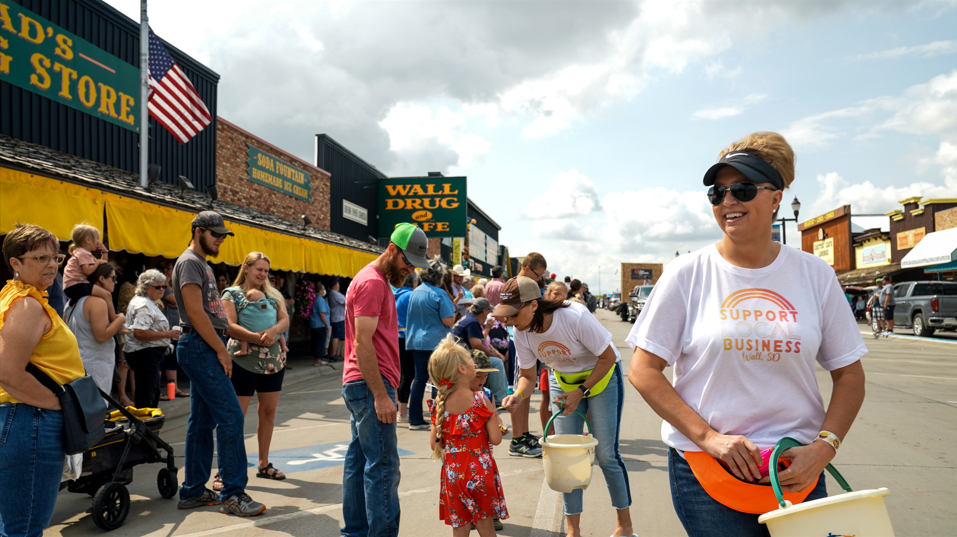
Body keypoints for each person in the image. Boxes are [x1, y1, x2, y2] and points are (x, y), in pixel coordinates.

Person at [627, 132, 867, 537]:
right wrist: (708, 438)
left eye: (742, 189)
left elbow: (849, 374)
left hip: (798, 466)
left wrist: (824, 447)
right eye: (717, 193)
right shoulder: (687, 274)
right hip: (709, 467)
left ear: (777, 198)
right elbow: (643, 370)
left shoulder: (816, 275)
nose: (728, 201)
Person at [497, 277, 634, 537]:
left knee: (606, 456)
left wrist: (581, 392)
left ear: (534, 306)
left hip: (602, 377)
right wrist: (518, 395)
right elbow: (527, 376)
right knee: (566, 457)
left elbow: (607, 358)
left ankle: (624, 526)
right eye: (505, 315)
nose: (507, 321)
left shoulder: (575, 316)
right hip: (564, 381)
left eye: (513, 314)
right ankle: (573, 531)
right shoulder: (520, 330)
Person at [173, 211, 266, 517]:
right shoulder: (189, 262)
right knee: (231, 418)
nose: (220, 239)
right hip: (200, 344)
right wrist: (221, 351)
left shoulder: (200, 263)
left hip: (201, 344)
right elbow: (195, 313)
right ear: (197, 231)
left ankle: (193, 490)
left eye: (223, 235)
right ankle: (233, 494)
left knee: (202, 422)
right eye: (215, 234)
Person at [341, 222, 429, 537]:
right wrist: (381, 394)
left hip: (362, 383)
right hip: (370, 384)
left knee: (359, 461)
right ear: (392, 249)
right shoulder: (373, 283)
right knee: (383, 467)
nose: (410, 270)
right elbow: (363, 343)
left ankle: (356, 531)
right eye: (408, 262)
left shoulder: (373, 280)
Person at [0, 224, 86, 537]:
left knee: (16, 523)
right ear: (16, 263)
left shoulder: (19, 298)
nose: (51, 264)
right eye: (40, 258)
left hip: (24, 418)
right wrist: (57, 405)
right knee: (25, 527)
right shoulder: (26, 305)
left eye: (56, 258)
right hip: (31, 418)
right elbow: (8, 373)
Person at [221, 252, 291, 484]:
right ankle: (225, 469)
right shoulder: (231, 294)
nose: (262, 274)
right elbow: (230, 326)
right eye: (258, 269)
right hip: (242, 362)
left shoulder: (273, 294)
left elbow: (284, 320)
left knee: (268, 413)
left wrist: (272, 332)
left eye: (266, 271)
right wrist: (257, 336)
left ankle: (263, 464)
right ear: (247, 268)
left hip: (273, 363)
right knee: (236, 418)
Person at [428, 335, 508, 536]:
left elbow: (435, 444)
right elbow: (496, 440)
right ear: (462, 369)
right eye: (469, 361)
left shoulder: (440, 405)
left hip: (453, 474)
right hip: (480, 471)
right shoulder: (481, 400)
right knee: (485, 526)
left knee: (460, 527)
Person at [406, 258, 457, 431]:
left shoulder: (415, 292)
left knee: (419, 379)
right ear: (440, 277)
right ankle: (437, 417)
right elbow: (448, 319)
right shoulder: (439, 294)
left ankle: (414, 418)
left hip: (416, 341)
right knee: (438, 381)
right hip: (436, 342)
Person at [64, 263, 126, 395]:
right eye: (113, 278)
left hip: (76, 362)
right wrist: (120, 319)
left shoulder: (71, 302)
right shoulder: (97, 302)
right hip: (95, 364)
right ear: (102, 279)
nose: (116, 282)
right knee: (96, 410)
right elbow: (101, 336)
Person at [125, 269, 179, 409]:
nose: (162, 289)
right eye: (157, 287)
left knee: (151, 393)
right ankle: (145, 428)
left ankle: (147, 427)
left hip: (148, 354)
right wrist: (167, 334)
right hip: (144, 353)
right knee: (147, 396)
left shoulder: (148, 301)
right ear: (146, 287)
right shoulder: (143, 304)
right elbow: (140, 333)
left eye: (164, 286)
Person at [451, 298, 508, 406]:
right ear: (484, 311)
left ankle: (495, 396)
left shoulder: (469, 318)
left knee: (495, 359)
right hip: (462, 357)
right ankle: (499, 399)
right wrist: (493, 355)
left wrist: (493, 352)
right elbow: (476, 345)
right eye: (488, 311)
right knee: (496, 362)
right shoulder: (472, 322)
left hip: (460, 354)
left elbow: (480, 342)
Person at [62, 223, 121, 326]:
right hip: (76, 285)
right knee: (107, 295)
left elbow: (104, 267)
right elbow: (88, 271)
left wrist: (104, 252)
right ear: (88, 239)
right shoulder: (83, 253)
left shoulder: (83, 253)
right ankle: (115, 321)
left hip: (72, 287)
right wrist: (98, 261)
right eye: (97, 238)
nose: (99, 241)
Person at [157, 260, 187, 400]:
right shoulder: (161, 286)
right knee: (161, 360)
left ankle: (174, 388)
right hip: (164, 329)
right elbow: (175, 300)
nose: (174, 270)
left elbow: (181, 300)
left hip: (176, 328)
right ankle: (157, 390)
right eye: (170, 268)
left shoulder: (173, 285)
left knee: (172, 360)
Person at [233, 288, 289, 356]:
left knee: (243, 338)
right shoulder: (269, 304)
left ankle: (243, 350)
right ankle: (284, 346)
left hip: (251, 335)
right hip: (272, 337)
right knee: (280, 334)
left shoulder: (245, 307)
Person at [394, 272, 419, 422]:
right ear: (414, 281)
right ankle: (402, 412)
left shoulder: (398, 294)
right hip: (406, 337)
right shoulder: (411, 296)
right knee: (407, 374)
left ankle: (400, 407)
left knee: (402, 373)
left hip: (397, 337)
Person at [310, 281, 331, 366]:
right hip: (320, 324)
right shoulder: (320, 300)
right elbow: (321, 313)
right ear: (320, 290)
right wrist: (327, 324)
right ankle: (318, 359)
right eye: (323, 289)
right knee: (320, 342)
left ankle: (317, 359)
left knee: (316, 342)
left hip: (315, 324)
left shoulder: (316, 299)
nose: (324, 290)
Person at [328, 278, 346, 361]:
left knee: (339, 337)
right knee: (336, 336)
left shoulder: (334, 293)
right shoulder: (335, 293)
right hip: (337, 317)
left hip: (339, 317)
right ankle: (333, 354)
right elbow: (346, 302)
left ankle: (338, 354)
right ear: (335, 285)